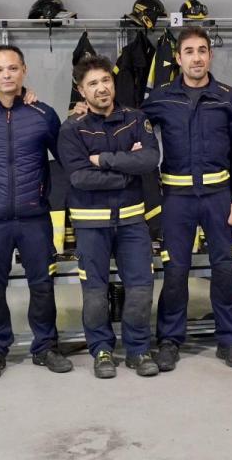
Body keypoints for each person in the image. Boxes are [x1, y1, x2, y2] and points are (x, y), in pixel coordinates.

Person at [142, 26, 232, 370]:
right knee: (175, 271)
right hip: (176, 198)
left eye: (202, 50)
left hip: (220, 197)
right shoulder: (159, 99)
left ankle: (228, 339)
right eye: (189, 51)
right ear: (177, 58)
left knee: (224, 270)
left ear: (210, 55)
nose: (196, 57)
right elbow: (126, 127)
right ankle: (170, 340)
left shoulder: (229, 98)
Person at [0, 45, 72, 380]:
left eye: (12, 68)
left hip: (34, 216)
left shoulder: (43, 115)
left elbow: (68, 155)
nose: (6, 75)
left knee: (42, 284)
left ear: (23, 70)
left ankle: (46, 347)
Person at [58, 54, 161, 378]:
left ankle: (138, 350)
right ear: (81, 90)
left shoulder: (135, 118)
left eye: (105, 81)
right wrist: (125, 170)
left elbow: (149, 159)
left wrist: (103, 160)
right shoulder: (71, 129)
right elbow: (78, 178)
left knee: (141, 287)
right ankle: (102, 350)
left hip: (132, 220)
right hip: (91, 224)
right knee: (95, 292)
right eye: (93, 84)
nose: (101, 88)